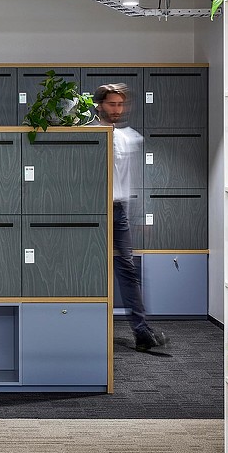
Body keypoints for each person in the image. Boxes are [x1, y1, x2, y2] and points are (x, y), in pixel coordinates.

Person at [92, 83, 168, 352]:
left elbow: (132, 182)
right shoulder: (90, 134)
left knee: (128, 270)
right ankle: (88, 327)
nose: (116, 109)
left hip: (119, 210)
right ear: (100, 104)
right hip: (93, 211)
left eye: (120, 104)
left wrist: (141, 216)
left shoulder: (130, 137)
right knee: (91, 268)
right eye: (112, 104)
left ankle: (141, 330)